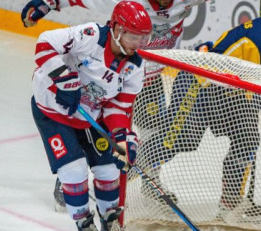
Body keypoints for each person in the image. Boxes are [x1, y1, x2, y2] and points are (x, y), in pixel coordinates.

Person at [20, 0, 210, 210]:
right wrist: (50, 3)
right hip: (115, 78)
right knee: (92, 132)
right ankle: (68, 182)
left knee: (151, 131)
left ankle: (150, 181)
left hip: (149, 77)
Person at [138, 0, 261, 222]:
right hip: (199, 83)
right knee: (182, 139)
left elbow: (258, 79)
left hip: (229, 93)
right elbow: (249, 87)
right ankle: (141, 171)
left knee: (247, 138)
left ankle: (229, 204)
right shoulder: (258, 37)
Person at [29, 1, 152, 231]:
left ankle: (110, 223)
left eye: (143, 38)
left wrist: (123, 139)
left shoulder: (135, 67)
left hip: (89, 116)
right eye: (132, 35)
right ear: (116, 28)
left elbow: (118, 108)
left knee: (108, 168)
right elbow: (43, 44)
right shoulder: (90, 36)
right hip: (53, 111)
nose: (137, 43)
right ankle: (84, 223)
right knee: (73, 170)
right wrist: (64, 80)